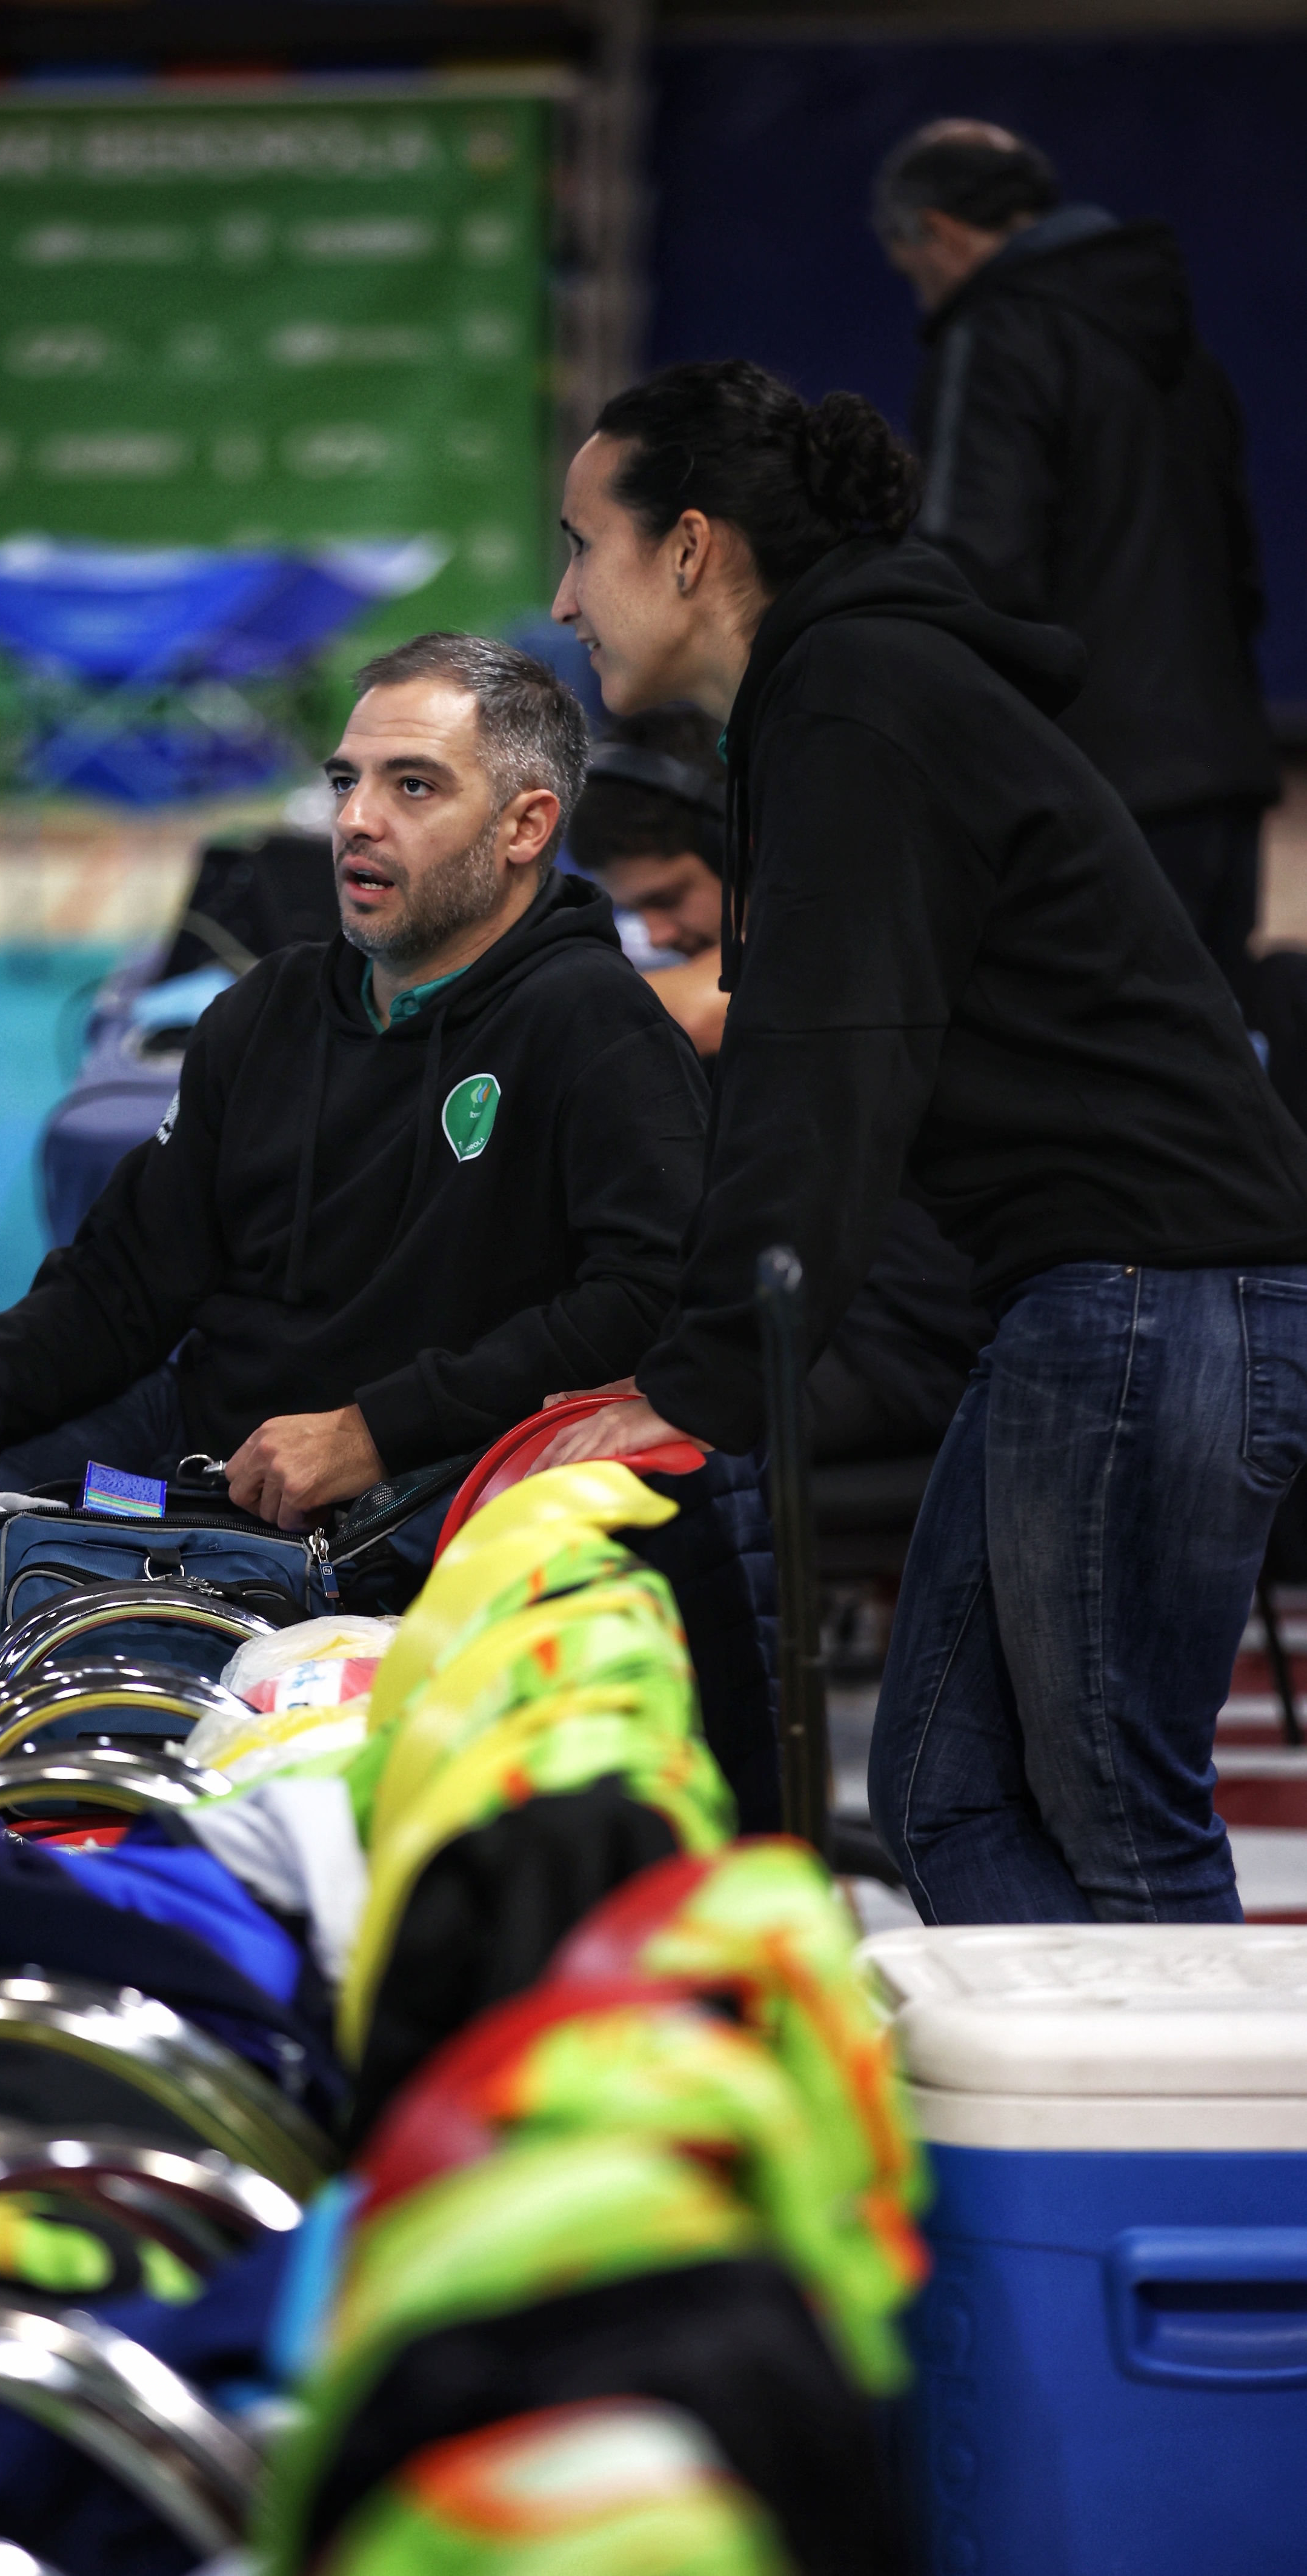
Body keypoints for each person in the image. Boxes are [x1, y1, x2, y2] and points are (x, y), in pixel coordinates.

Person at [0, 632, 733, 2280]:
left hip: (424, 1510)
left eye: (415, 786)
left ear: (523, 827)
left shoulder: (589, 1028)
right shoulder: (271, 1010)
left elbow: (648, 1301)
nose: (359, 819)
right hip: (207, 1458)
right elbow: (116, 1288)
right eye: (348, 779)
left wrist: (380, 1426)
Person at [541, 357, 1307, 1933]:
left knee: (1117, 1813)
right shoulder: (836, 691)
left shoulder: (855, 699)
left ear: (686, 547)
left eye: (577, 545)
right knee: (944, 1790)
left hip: (1150, 1291)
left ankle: (1162, 2102)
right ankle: (1072, 2089)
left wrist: (688, 1389)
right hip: (1100, 1294)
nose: (561, 600)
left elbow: (823, 1077)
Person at [873, 119, 1278, 988]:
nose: (922, 298)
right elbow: (1242, 570)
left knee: (1089, 1049)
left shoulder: (994, 332)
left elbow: (972, 568)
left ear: (938, 232)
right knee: (1215, 1041)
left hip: (1092, 788)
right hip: (1227, 770)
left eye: (911, 270)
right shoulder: (1182, 347)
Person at [570, 705, 989, 1462]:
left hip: (907, 1351)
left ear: (744, 846)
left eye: (669, 898)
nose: (658, 934)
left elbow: (697, 1009)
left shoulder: (847, 928)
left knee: (598, 1460)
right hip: (830, 1336)